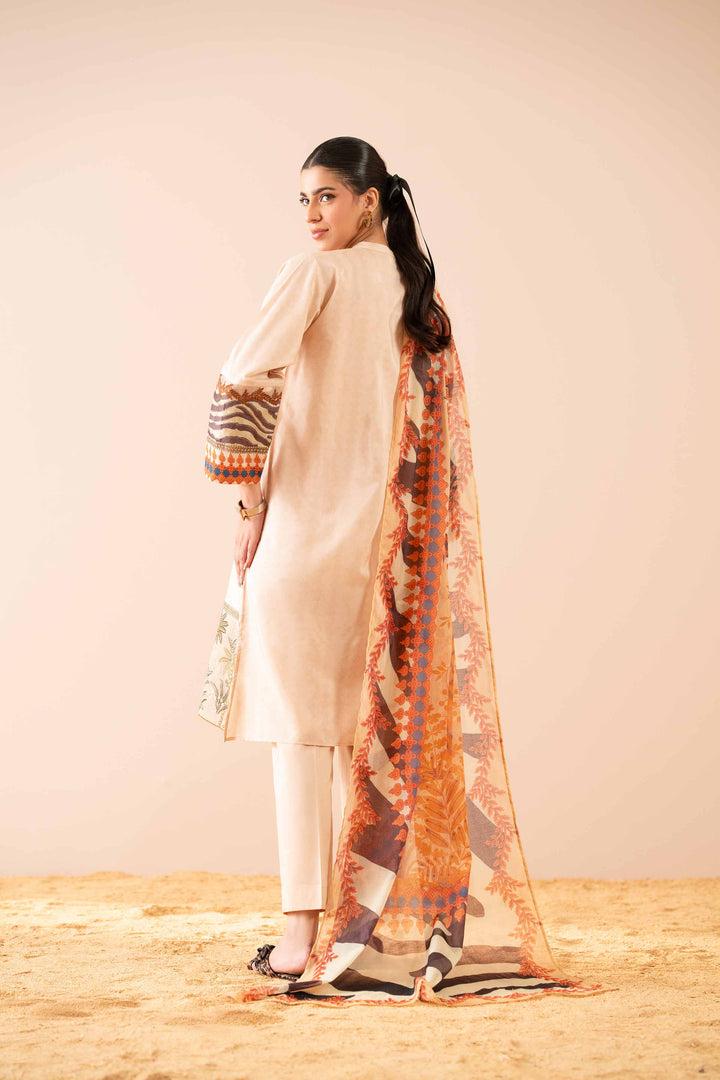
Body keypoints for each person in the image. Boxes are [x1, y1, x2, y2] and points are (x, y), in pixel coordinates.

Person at [200, 137, 616, 1007]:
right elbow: (436, 449)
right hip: (388, 553)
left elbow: (242, 377)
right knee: (369, 740)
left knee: (302, 737)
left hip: (305, 542)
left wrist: (247, 507)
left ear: (369, 200)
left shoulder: (315, 275)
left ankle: (300, 938)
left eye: (326, 196)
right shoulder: (421, 297)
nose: (312, 214)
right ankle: (366, 929)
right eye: (303, 200)